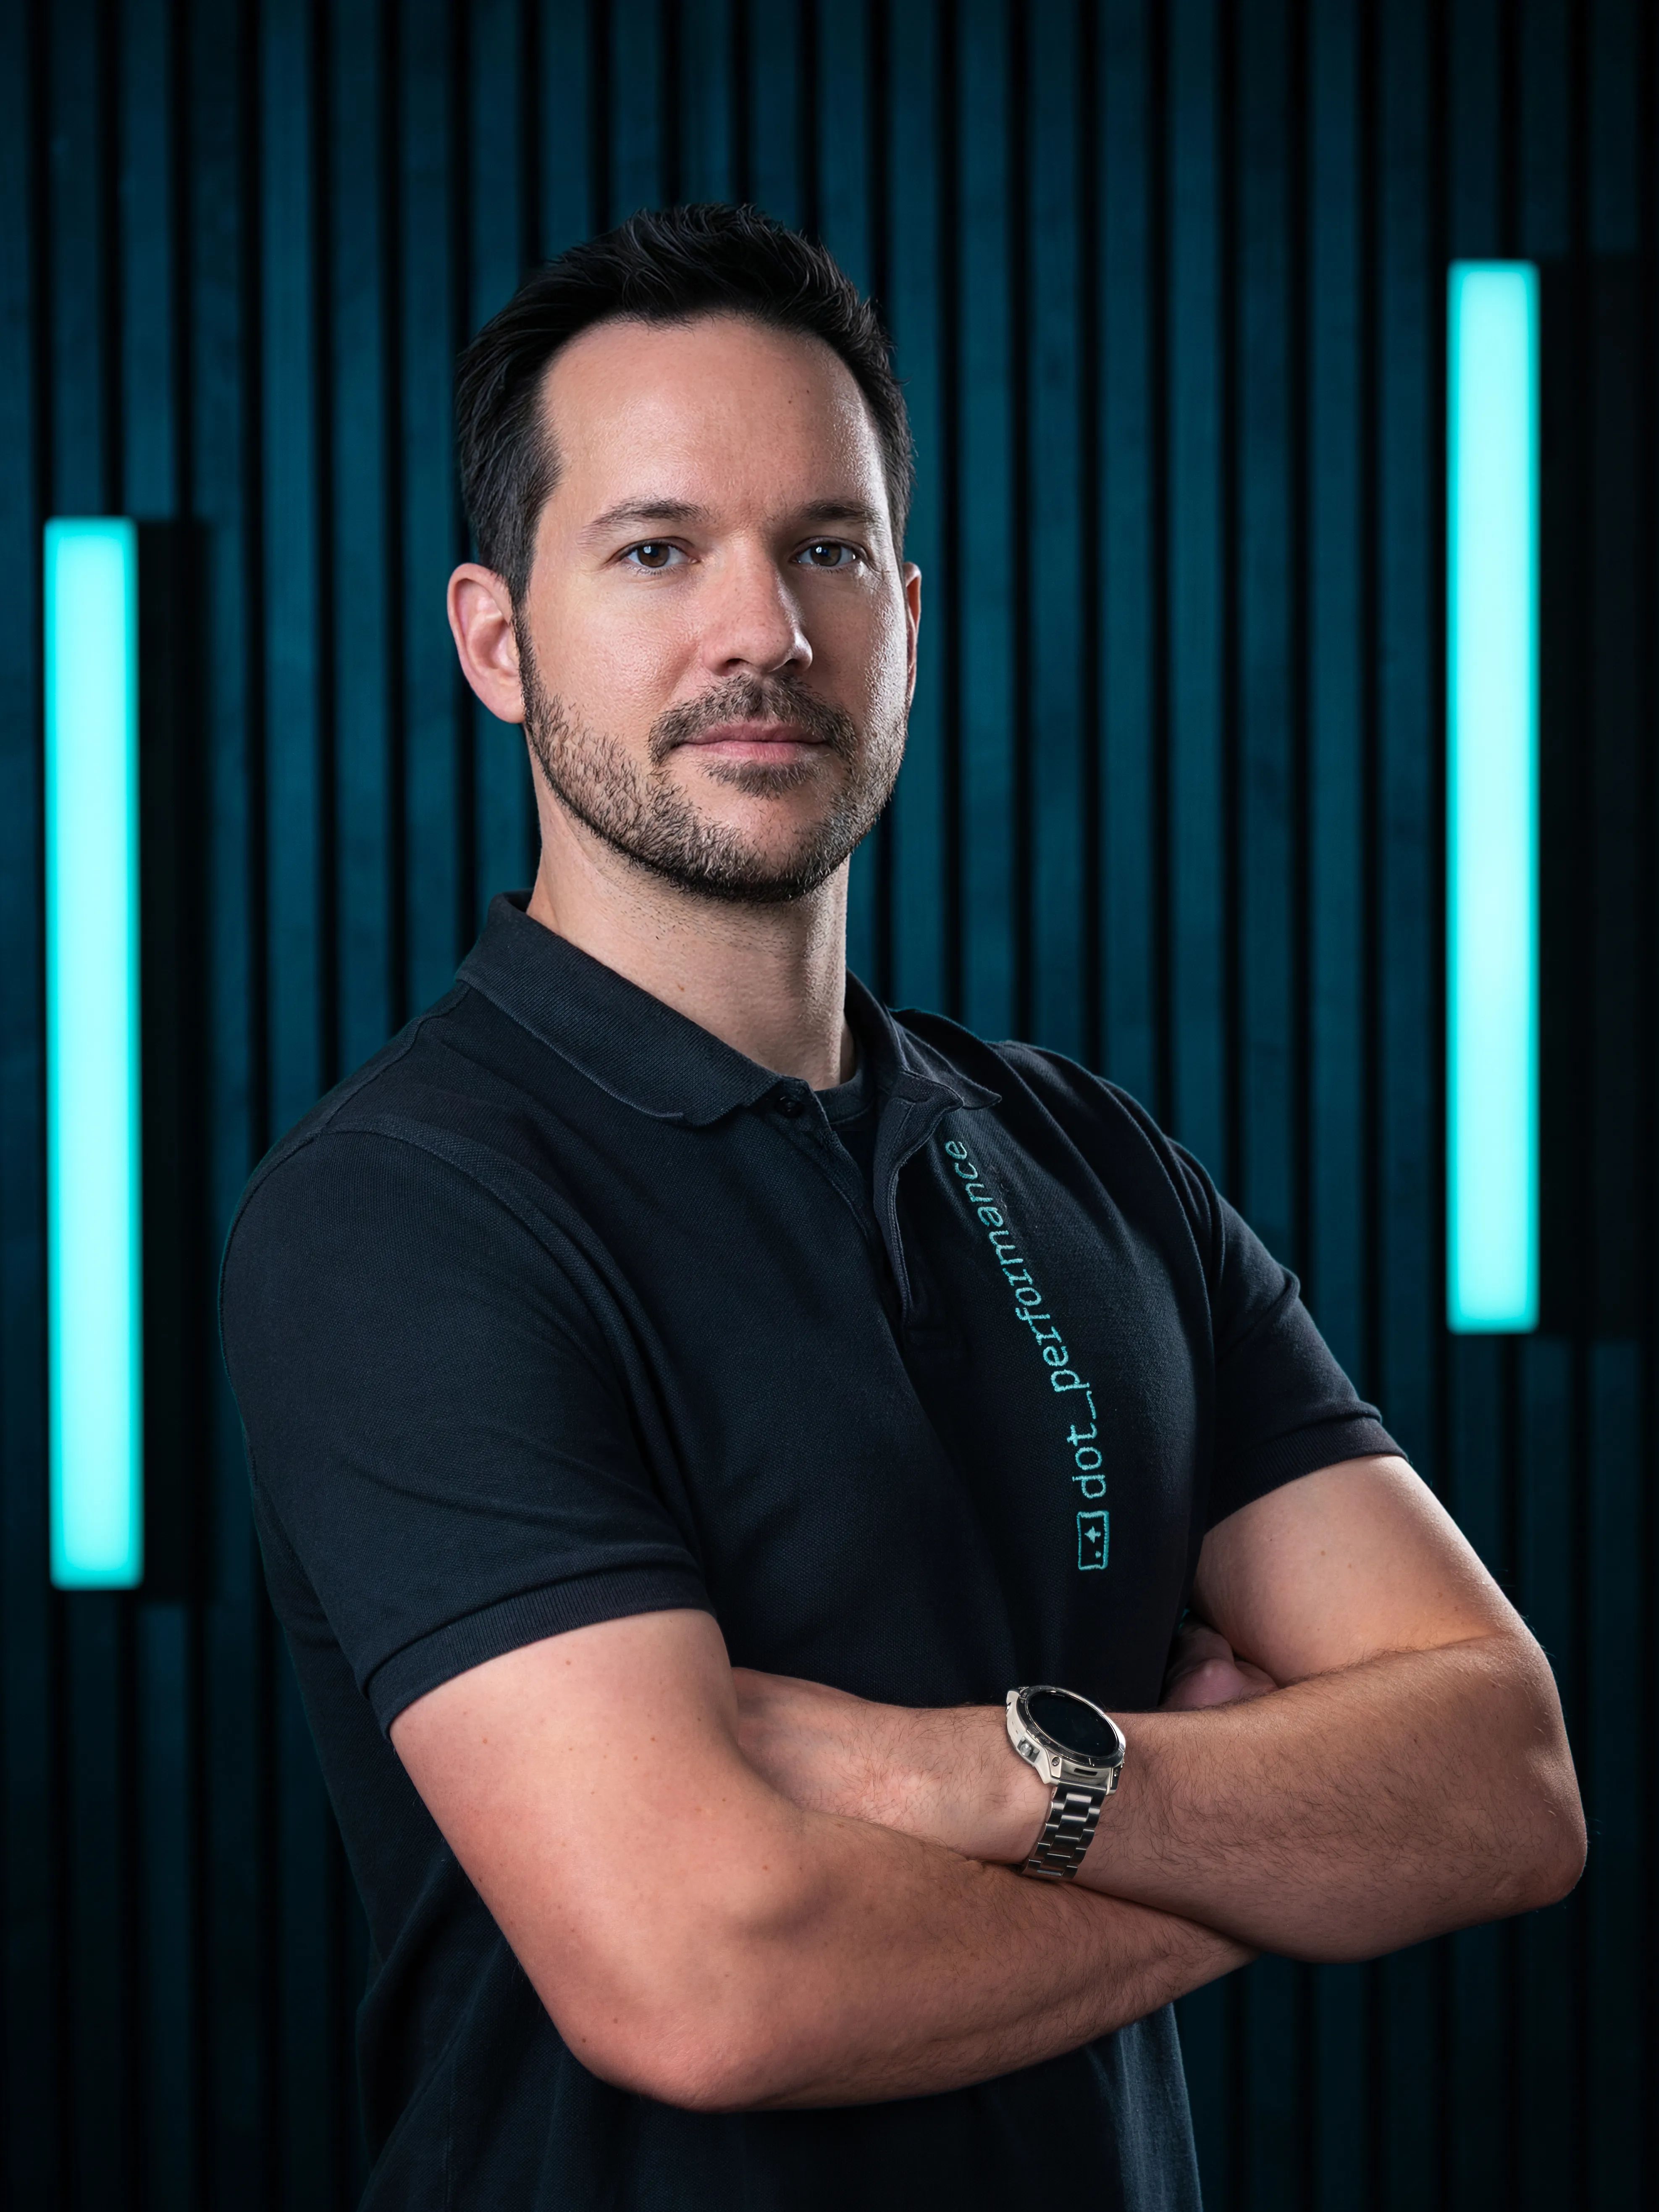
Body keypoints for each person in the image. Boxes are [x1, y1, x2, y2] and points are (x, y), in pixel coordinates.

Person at [219, 204, 1584, 2211]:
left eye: (827, 550)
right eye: (659, 548)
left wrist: (960, 1769)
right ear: (498, 640)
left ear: (912, 620)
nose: (759, 628)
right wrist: (1267, 1865)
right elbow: (712, 1978)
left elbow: (1505, 1780)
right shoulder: (406, 1217)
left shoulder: (1094, 1162)